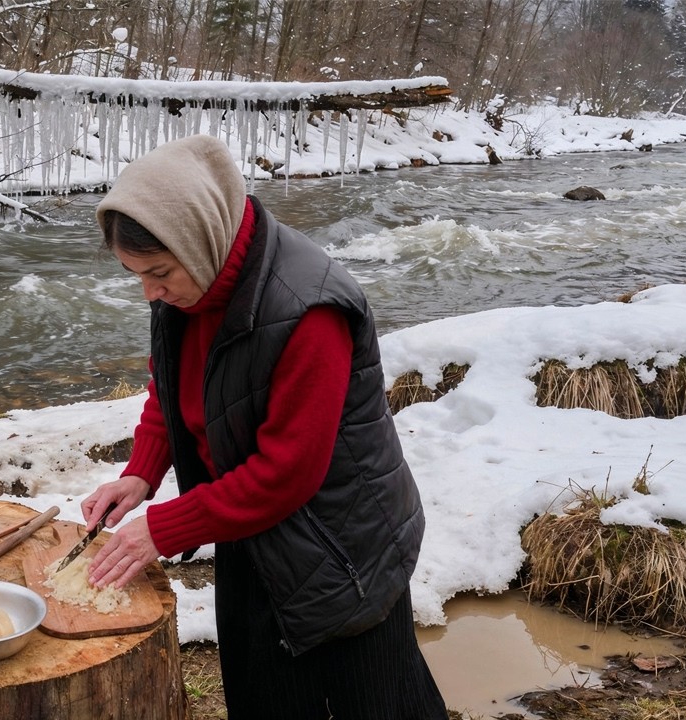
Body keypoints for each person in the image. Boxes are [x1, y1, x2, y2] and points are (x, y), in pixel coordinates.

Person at [80, 134, 448, 718]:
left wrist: (162, 528)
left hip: (340, 549)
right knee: (264, 697)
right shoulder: (189, 284)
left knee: (379, 701)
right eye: (136, 275)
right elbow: (171, 387)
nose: (150, 292)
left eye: (157, 272)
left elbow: (288, 474)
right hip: (247, 527)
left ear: (199, 240)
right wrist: (141, 474)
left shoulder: (308, 309)